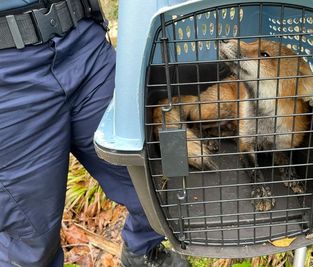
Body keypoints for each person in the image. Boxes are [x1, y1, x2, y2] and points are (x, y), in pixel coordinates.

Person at [0, 0, 190, 266]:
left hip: (83, 41)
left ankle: (141, 251)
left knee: (161, 176)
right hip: (8, 78)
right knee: (31, 241)